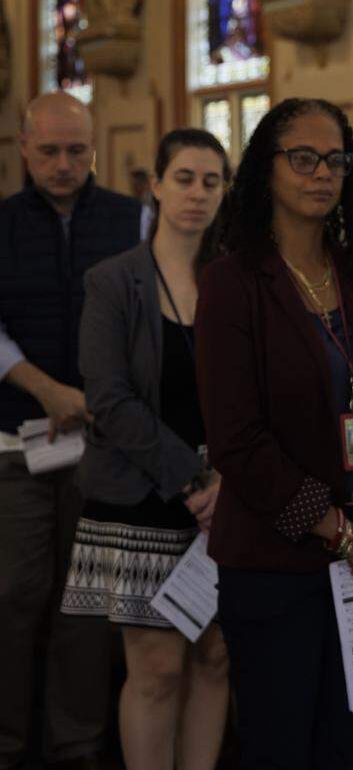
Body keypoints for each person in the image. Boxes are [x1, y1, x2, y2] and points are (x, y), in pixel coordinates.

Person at [194, 98, 353, 770]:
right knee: (279, 748)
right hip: (275, 566)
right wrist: (337, 529)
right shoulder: (234, 282)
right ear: (266, 169)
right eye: (302, 157)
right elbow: (236, 438)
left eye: (335, 160)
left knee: (340, 748)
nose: (321, 173)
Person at [59, 129, 231, 770]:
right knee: (156, 668)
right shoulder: (113, 282)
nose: (197, 193)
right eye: (184, 178)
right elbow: (109, 400)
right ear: (155, 185)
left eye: (211, 181)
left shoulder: (232, 282)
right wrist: (194, 482)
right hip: (139, 498)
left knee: (216, 657)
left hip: (225, 498)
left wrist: (229, 481)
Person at [0, 92, 143, 770]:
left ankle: (77, 741)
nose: (63, 164)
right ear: (23, 147)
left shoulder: (129, 218)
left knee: (86, 601)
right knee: (13, 593)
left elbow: (144, 319)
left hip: (102, 442)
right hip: (15, 438)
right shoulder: (0, 223)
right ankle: (8, 738)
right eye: (49, 150)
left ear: (95, 149)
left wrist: (100, 394)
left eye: (76, 151)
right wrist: (44, 386)